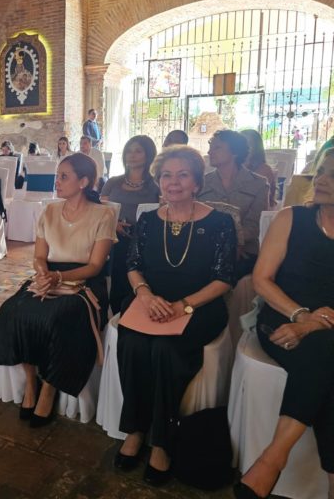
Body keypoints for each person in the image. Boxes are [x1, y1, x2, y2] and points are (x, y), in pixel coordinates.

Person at [115, 146, 236, 486]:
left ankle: (162, 440)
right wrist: (145, 294)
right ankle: (136, 429)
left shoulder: (220, 223)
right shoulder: (149, 220)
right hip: (150, 302)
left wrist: (184, 305)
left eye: (183, 175)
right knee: (133, 344)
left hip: (199, 306)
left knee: (165, 351)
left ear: (196, 182)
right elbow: (133, 265)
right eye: (167, 175)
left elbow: (223, 278)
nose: (173, 182)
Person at [235, 148, 334, 499]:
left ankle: (272, 458)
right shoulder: (292, 218)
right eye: (321, 171)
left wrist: (310, 327)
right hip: (279, 320)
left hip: (323, 330)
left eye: (332, 175)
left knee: (325, 350)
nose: (321, 180)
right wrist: (301, 316)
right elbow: (262, 279)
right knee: (327, 352)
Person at [0, 153, 116, 427]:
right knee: (12, 311)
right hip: (50, 275)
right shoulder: (49, 211)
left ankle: (49, 387)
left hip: (84, 281)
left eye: (64, 176)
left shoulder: (103, 214)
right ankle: (30, 383)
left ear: (83, 181)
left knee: (60, 316)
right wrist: (44, 274)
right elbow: (39, 256)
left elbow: (95, 266)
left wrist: (59, 276)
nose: (57, 182)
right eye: (57, 176)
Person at [101, 135, 160, 314]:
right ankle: (118, 311)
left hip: (147, 240)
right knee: (119, 275)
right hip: (117, 237)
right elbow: (101, 212)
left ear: (148, 155)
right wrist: (114, 224)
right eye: (129, 151)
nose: (131, 155)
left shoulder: (156, 185)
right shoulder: (113, 183)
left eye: (138, 151)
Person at [198, 130, 269, 278]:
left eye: (217, 147)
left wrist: (232, 244)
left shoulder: (258, 184)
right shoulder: (201, 183)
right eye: (211, 146)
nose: (210, 151)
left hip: (244, 252)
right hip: (206, 248)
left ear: (235, 152)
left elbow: (253, 226)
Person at [241, 129, 277, 208]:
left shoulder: (264, 170)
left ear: (256, 147)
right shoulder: (235, 166)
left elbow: (248, 197)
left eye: (247, 144)